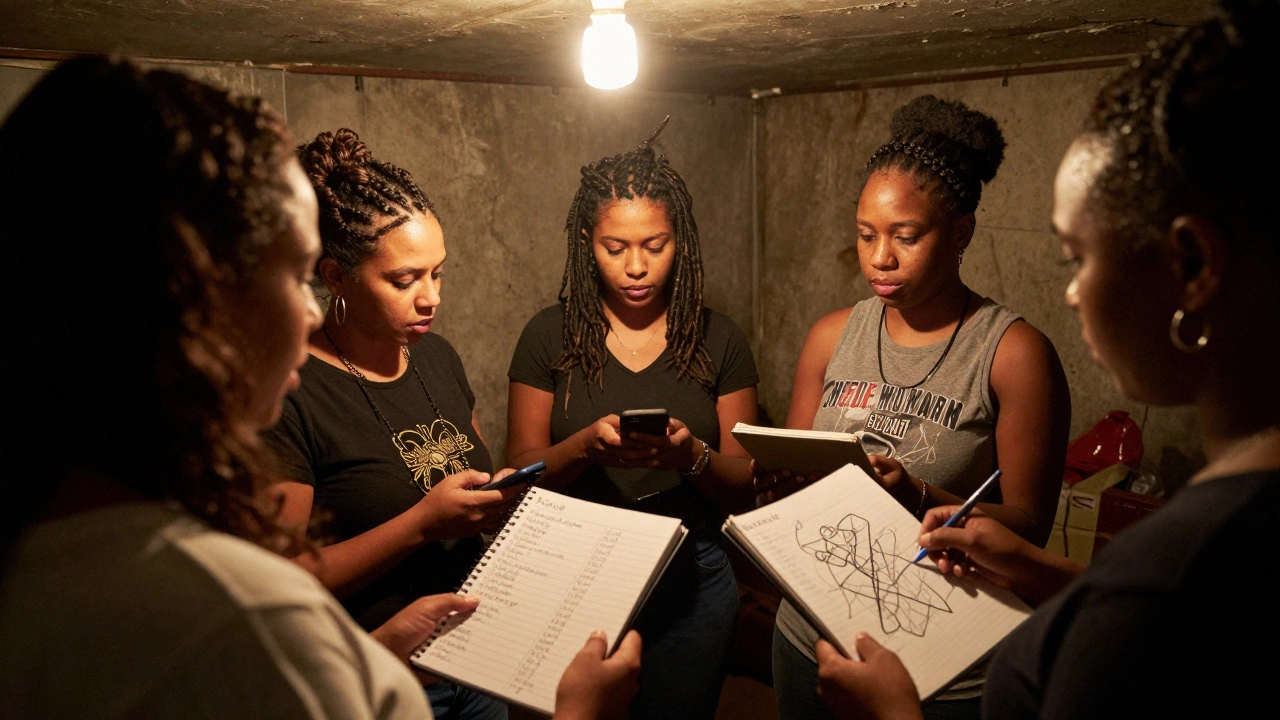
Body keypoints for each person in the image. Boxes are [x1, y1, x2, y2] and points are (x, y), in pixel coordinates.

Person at [0, 56, 640, 720]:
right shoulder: (247, 620)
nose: (306, 311)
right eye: (293, 272)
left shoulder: (54, 549)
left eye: (438, 274)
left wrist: (380, 652)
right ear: (200, 295)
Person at [815, 0, 1280, 717]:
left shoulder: (1168, 579)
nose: (1069, 292)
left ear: (1192, 263)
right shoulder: (1169, 567)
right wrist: (1042, 574)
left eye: (1078, 256)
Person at [764, 95, 1071, 720]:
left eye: (906, 236)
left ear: (960, 232)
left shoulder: (1012, 353)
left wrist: (919, 493)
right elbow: (791, 476)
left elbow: (1029, 525)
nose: (881, 257)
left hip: (943, 661)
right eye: (866, 235)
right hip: (811, 635)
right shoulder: (831, 336)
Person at [262, 127, 524, 720]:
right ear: (335, 277)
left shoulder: (437, 356)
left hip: (476, 658)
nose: (430, 297)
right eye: (404, 280)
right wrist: (421, 524)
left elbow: (470, 465)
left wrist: (497, 498)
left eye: (438, 273)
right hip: (375, 674)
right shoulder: (291, 386)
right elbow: (281, 580)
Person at [505, 120, 760, 720]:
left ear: (683, 243)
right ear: (586, 243)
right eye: (614, 248)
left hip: (691, 574)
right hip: (573, 566)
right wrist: (583, 450)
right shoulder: (550, 335)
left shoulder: (718, 339)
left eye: (656, 245)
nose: (637, 266)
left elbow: (748, 481)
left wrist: (690, 456)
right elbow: (516, 475)